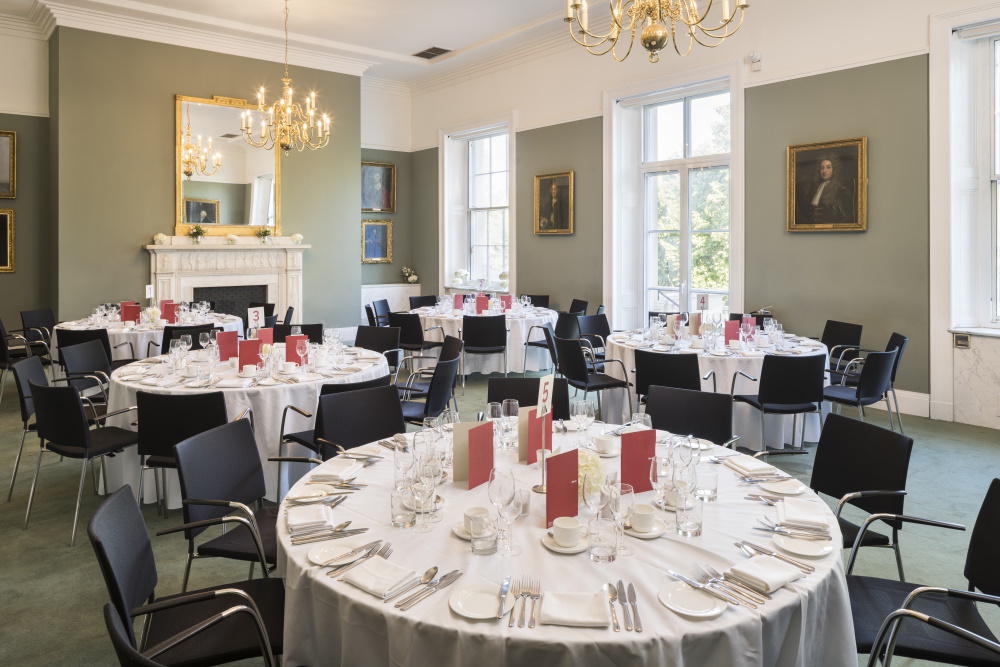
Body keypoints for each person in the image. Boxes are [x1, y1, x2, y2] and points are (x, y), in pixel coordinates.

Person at [796, 157, 853, 225]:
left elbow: (847, 218)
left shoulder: (841, 190)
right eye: (822, 168)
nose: (824, 171)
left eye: (828, 167)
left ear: (834, 170)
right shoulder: (816, 189)